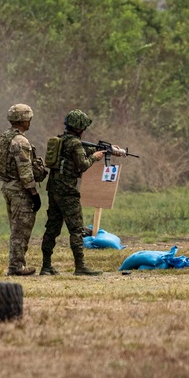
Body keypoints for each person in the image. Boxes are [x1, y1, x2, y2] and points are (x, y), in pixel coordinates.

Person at [40, 109, 124, 276]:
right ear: (79, 127)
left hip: (54, 188)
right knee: (76, 229)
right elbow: (83, 164)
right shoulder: (75, 143)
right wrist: (96, 157)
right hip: (68, 191)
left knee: (52, 228)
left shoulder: (62, 140)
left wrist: (108, 150)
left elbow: (79, 154)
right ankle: (80, 266)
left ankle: (46, 266)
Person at [0, 103, 47, 275]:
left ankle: (17, 264)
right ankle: (16, 267)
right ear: (24, 120)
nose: (30, 121)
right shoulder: (20, 141)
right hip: (19, 190)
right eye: (29, 118)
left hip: (8, 187)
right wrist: (34, 193)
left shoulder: (5, 137)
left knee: (16, 227)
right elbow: (25, 170)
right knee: (21, 229)